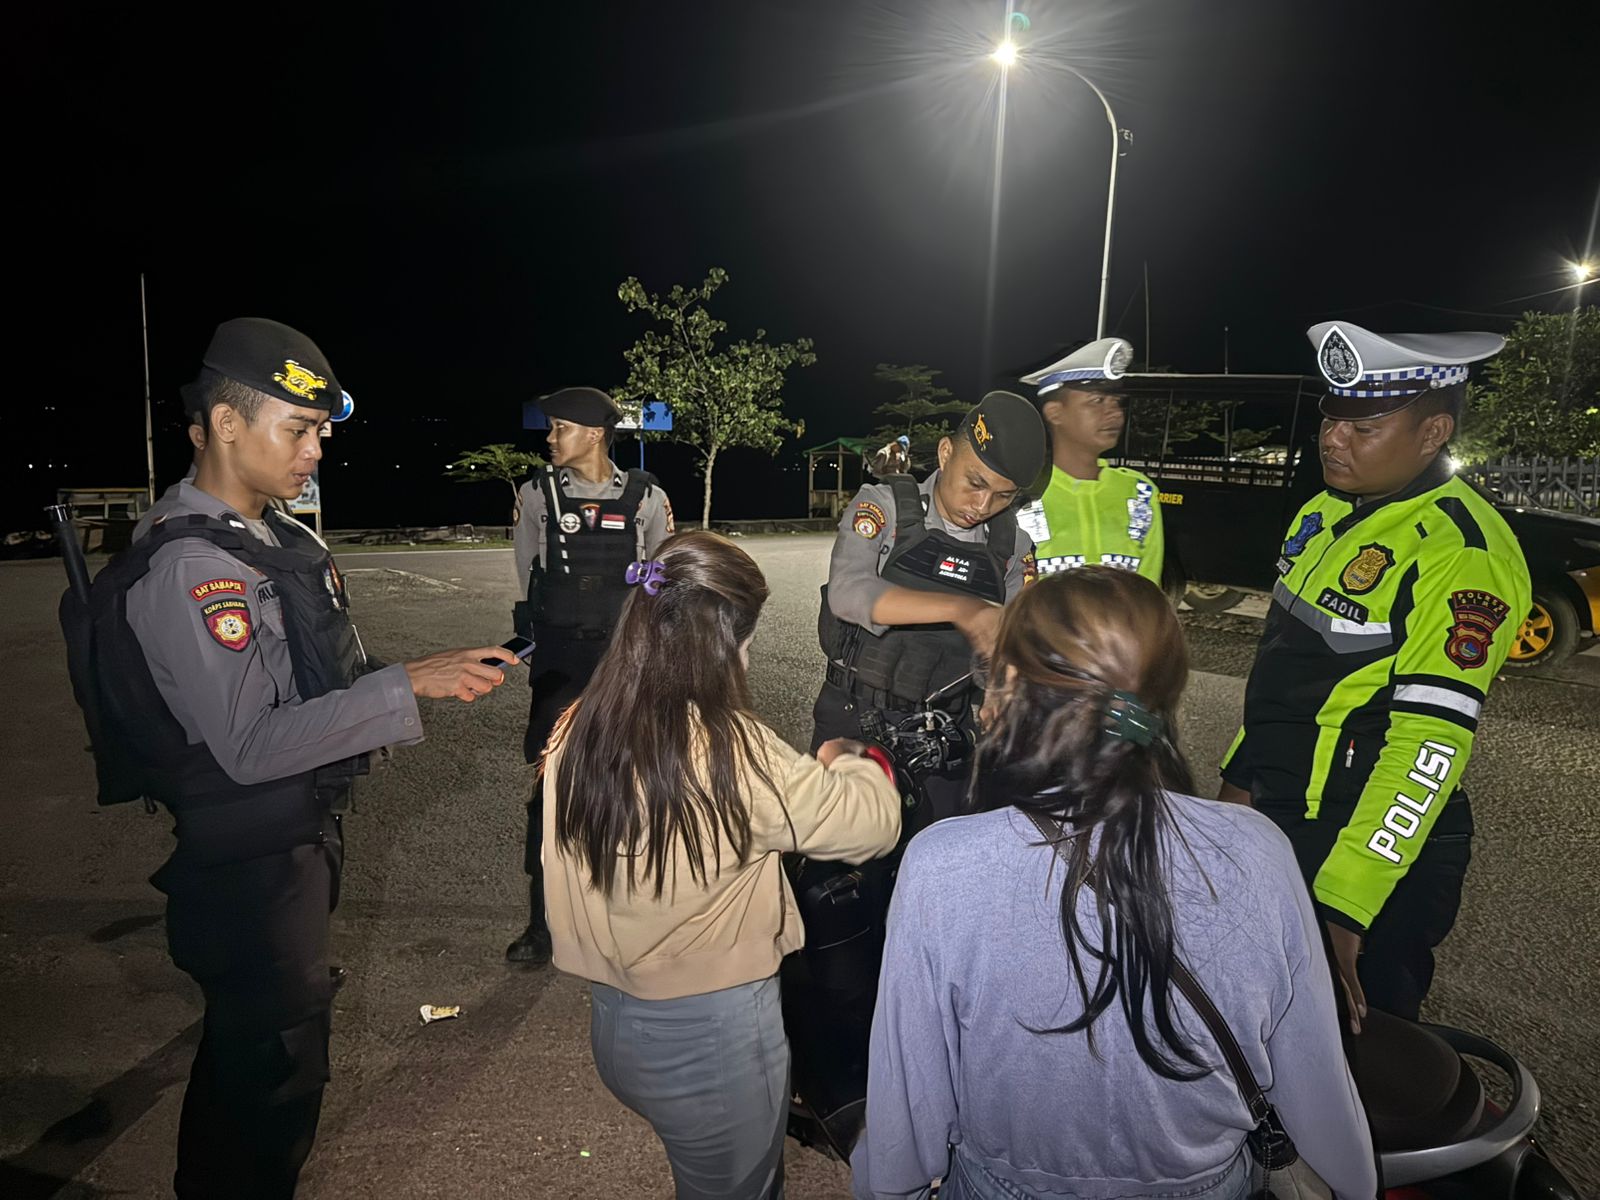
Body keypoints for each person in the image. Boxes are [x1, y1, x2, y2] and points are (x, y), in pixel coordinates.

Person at [78, 317, 520, 1199]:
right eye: (299, 429)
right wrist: (409, 685)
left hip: (293, 835)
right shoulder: (196, 566)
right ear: (226, 424)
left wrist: (412, 678)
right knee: (272, 1077)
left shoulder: (274, 539)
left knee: (260, 1054)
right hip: (247, 861)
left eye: (321, 431)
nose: (317, 450)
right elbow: (249, 745)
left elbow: (317, 677)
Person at [851, 568, 1376, 1200]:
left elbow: (909, 1108)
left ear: (1008, 687)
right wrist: (1353, 1181)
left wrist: (889, 1187)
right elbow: (1314, 1077)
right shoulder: (1258, 849)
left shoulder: (943, 864)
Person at [543, 531, 901, 1199]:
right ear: (722, 642)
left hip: (617, 1024)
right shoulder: (732, 751)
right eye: (746, 640)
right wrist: (853, 760)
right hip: (709, 1043)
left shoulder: (580, 726)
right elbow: (870, 825)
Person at [1218, 322, 1532, 1027]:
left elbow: (1430, 745)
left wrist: (1343, 908)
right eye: (1331, 419)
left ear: (1433, 433)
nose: (1334, 440)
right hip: (1283, 815)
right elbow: (1288, 677)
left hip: (1367, 849)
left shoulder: (1460, 550)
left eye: (1364, 428)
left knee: (1359, 1056)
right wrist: (1238, 788)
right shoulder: (1324, 513)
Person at [811, 391, 1046, 827]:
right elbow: (848, 591)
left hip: (946, 735)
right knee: (837, 856)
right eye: (975, 483)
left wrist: (1003, 691)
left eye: (1003, 496)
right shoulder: (884, 507)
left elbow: (1015, 642)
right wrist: (965, 609)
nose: (982, 506)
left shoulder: (1013, 546)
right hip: (855, 720)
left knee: (937, 854)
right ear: (945, 453)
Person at [504, 386, 675, 964]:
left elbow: (661, 573)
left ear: (595, 434)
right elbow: (526, 575)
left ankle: (631, 913)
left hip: (625, 661)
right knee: (548, 786)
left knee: (633, 783)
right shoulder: (537, 493)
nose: (550, 438)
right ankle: (543, 923)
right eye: (551, 427)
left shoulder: (647, 496)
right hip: (559, 661)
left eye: (560, 428)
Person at [1016, 337, 1165, 584]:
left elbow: (1149, 591)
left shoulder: (1139, 493)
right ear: (1055, 412)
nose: (1115, 412)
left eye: (1116, 402)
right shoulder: (1020, 494)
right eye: (1097, 401)